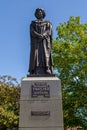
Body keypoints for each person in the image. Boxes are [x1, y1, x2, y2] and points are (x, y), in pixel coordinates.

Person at [28, 8, 53, 75]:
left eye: (41, 12)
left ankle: (47, 68)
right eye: (38, 12)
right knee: (35, 55)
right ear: (36, 14)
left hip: (44, 42)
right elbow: (32, 31)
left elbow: (49, 31)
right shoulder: (33, 23)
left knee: (45, 54)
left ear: (43, 13)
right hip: (36, 42)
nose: (39, 13)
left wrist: (43, 36)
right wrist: (39, 35)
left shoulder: (48, 23)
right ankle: (34, 69)